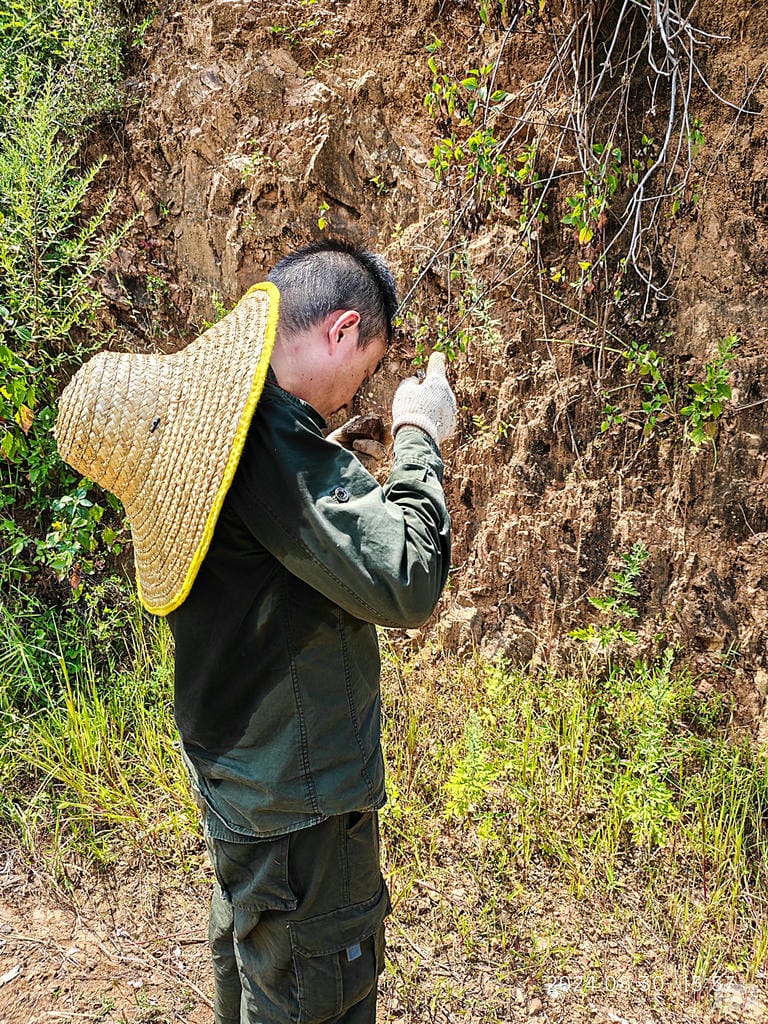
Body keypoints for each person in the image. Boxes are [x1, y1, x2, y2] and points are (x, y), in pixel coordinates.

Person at [54, 238, 456, 1024]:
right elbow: (409, 577)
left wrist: (325, 468)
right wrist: (419, 435)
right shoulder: (267, 441)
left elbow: (257, 555)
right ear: (341, 330)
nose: (351, 396)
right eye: (365, 366)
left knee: (254, 989)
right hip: (300, 816)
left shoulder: (223, 453)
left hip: (240, 793)